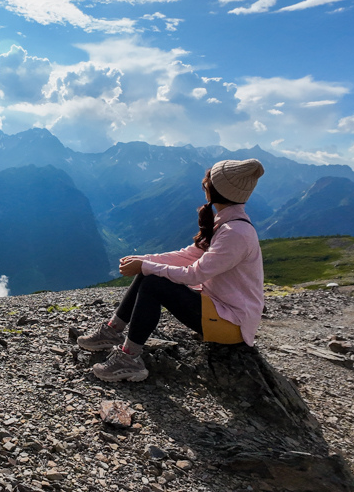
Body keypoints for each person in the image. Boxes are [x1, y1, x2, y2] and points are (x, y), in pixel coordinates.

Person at [78, 158, 266, 382]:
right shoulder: (229, 223)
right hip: (220, 308)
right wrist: (143, 260)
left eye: (208, 180)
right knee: (150, 273)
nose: (204, 182)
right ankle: (112, 331)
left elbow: (194, 274)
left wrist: (146, 266)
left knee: (153, 282)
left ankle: (129, 359)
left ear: (216, 189)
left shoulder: (235, 233)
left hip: (231, 324)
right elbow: (188, 255)